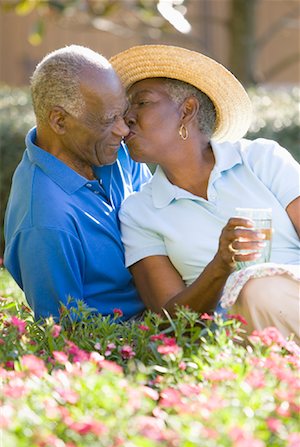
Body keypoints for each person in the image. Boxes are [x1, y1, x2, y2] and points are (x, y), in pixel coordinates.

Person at [110, 45, 300, 341]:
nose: (126, 120)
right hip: (235, 339)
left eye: (142, 103)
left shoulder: (262, 159)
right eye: (124, 110)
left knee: (265, 289)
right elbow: (168, 322)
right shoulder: (138, 212)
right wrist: (220, 265)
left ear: (186, 110)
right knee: (258, 291)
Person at [4, 45, 151, 321]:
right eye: (109, 120)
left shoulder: (113, 152)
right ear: (60, 121)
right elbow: (65, 336)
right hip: (125, 347)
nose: (123, 130)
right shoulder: (45, 221)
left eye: (122, 114)